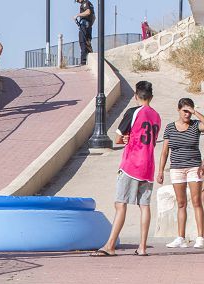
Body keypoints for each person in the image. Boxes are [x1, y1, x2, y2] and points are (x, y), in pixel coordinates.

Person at [93, 81, 162, 256]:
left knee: (120, 204)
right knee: (144, 205)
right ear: (151, 97)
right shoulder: (157, 116)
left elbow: (117, 138)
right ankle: (143, 247)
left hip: (132, 164)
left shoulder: (133, 112)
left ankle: (110, 246)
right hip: (149, 166)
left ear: (136, 96)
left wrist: (125, 139)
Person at [159, 99, 204, 248]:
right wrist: (160, 170)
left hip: (194, 167)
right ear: (178, 110)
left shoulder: (196, 125)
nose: (187, 114)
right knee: (181, 203)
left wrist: (195, 112)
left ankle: (200, 238)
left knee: (197, 202)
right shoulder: (170, 128)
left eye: (188, 111)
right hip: (176, 167)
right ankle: (180, 237)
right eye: (184, 110)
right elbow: (165, 151)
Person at [75, 0, 96, 66]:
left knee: (82, 42)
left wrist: (78, 15)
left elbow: (88, 12)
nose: (78, 1)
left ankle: (83, 61)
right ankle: (91, 61)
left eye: (77, 0)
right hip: (89, 25)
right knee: (88, 43)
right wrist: (90, 25)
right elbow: (94, 17)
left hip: (84, 25)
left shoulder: (85, 3)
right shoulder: (90, 3)